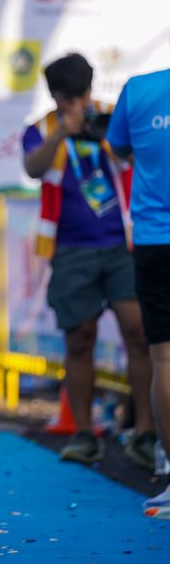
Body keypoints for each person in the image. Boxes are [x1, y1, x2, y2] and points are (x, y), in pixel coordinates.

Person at [22, 52, 154, 466]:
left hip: (123, 245)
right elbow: (33, 168)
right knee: (79, 338)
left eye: (83, 94)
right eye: (70, 97)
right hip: (69, 249)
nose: (80, 103)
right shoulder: (42, 129)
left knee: (140, 333)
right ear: (55, 96)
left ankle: (146, 433)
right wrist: (63, 132)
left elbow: (138, 158)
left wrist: (106, 134)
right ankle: (83, 433)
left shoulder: (112, 119)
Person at [107, 68, 170, 519]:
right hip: (152, 237)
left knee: (165, 359)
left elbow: (119, 148)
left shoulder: (139, 90)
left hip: (155, 239)